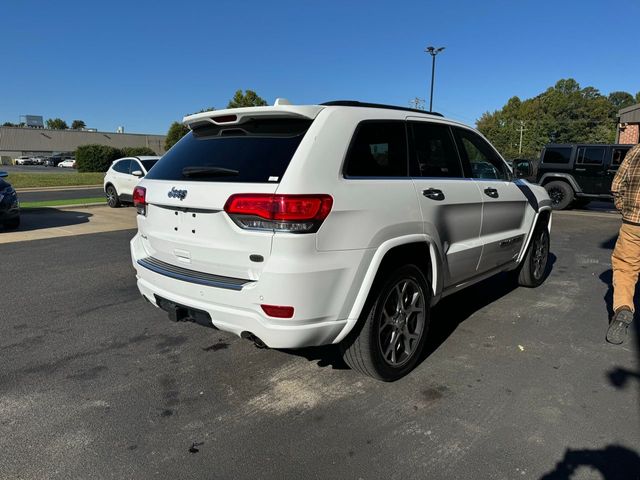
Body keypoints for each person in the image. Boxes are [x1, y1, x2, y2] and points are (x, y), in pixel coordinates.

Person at [607, 143, 640, 344]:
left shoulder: (636, 151)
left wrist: (624, 209)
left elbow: (617, 185)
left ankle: (623, 308)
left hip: (633, 223)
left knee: (625, 268)